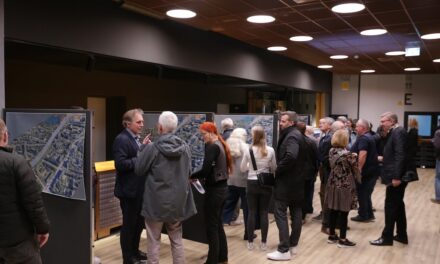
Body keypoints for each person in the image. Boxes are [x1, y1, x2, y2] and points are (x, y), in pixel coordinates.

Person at [135, 111, 197, 264]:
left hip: (155, 202)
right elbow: (189, 172)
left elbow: (139, 170)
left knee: (153, 240)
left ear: (160, 127)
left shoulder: (153, 148)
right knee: (177, 240)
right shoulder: (185, 148)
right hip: (177, 202)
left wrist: (142, 149)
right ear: (175, 127)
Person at [0, 118, 50, 264]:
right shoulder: (16, 162)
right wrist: (43, 229)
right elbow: (34, 203)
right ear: (5, 136)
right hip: (18, 242)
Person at [190, 122, 232, 264]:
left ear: (211, 132)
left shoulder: (213, 146)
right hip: (223, 189)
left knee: (212, 228)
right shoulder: (220, 144)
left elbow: (205, 170)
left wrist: (191, 176)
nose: (202, 138)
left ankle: (212, 260)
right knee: (218, 225)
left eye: (203, 134)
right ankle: (222, 258)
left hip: (215, 192)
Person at [267, 111, 306, 261]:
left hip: (286, 183)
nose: (280, 124)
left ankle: (284, 249)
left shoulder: (291, 136)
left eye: (283, 121)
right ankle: (292, 245)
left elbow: (291, 156)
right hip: (297, 182)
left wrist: (278, 169)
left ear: (291, 122)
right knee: (296, 212)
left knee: (280, 213)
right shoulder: (299, 135)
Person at [113, 108, 149, 264]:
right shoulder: (121, 139)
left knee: (139, 224)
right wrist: (140, 156)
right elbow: (120, 164)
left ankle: (135, 251)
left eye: (142, 121)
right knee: (129, 226)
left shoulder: (135, 138)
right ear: (128, 124)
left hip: (139, 190)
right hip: (128, 191)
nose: (142, 124)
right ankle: (128, 258)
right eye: (138, 122)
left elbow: (135, 156)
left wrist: (142, 147)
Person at [370, 112, 409, 246]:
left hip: (396, 176)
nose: (381, 124)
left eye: (383, 121)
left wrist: (397, 177)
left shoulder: (398, 132)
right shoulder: (394, 131)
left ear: (392, 121)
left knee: (390, 206)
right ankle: (402, 235)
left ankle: (387, 238)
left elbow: (400, 155)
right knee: (398, 206)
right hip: (394, 173)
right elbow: (393, 152)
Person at [240, 126, 277, 251]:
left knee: (251, 212)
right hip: (266, 184)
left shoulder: (249, 150)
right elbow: (274, 168)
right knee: (264, 213)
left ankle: (250, 242)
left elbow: (242, 168)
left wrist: (251, 166)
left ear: (254, 136)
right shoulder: (270, 150)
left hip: (251, 182)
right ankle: (264, 243)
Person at [326, 129, 360, 248]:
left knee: (333, 209)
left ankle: (331, 235)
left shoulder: (331, 151)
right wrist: (355, 157)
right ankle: (342, 239)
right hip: (345, 184)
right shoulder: (349, 155)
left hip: (332, 183)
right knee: (344, 212)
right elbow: (356, 170)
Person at [350, 119, 379, 222]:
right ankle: (369, 214)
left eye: (357, 126)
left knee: (362, 193)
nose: (355, 128)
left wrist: (359, 170)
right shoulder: (369, 137)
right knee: (366, 193)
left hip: (366, 171)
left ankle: (363, 215)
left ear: (363, 128)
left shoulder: (363, 138)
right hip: (372, 170)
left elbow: (363, 154)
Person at [222, 128, 249, 237]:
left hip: (230, 180)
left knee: (228, 205)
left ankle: (220, 227)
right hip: (243, 181)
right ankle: (248, 232)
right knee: (247, 208)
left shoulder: (226, 146)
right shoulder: (246, 147)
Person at [296, 122, 319, 223]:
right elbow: (316, 158)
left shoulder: (295, 142)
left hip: (298, 173)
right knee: (306, 194)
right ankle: (302, 215)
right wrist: (315, 171)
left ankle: (298, 216)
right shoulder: (312, 142)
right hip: (309, 172)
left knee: (298, 195)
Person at [314, 117, 334, 224]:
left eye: (323, 123)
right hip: (323, 169)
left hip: (327, 169)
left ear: (330, 125)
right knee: (322, 192)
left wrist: (320, 159)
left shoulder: (330, 138)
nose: (320, 124)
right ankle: (324, 213)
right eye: (320, 122)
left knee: (326, 193)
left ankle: (327, 217)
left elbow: (327, 155)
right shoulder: (323, 136)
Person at [432, 125, 440, 204]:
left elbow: (437, 146)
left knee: (438, 178)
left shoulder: (438, 132)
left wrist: (433, 141)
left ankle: (438, 198)